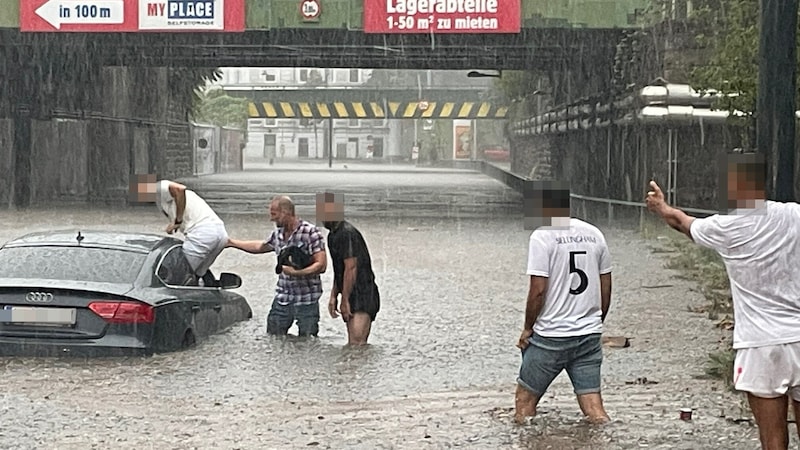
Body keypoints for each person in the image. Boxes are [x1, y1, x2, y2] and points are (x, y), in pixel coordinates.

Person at [646, 152, 800, 450]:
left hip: (760, 344)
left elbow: (681, 223)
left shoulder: (724, 228)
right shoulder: (794, 214)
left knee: (773, 440)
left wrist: (660, 206)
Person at [515, 181, 613, 425]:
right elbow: (606, 285)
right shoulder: (594, 234)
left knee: (524, 403)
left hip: (551, 336)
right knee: (593, 406)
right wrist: (595, 321)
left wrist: (528, 328)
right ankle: (604, 440)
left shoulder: (542, 237)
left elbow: (538, 291)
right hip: (589, 334)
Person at [227, 195, 327, 337]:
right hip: (283, 297)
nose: (271, 219)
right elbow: (260, 247)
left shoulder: (311, 233)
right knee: (273, 339)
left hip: (307, 299)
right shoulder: (278, 234)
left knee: (308, 342)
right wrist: (232, 243)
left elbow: (321, 265)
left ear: (286, 212)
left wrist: (297, 273)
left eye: (274, 214)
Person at [130, 174, 229, 287]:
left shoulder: (157, 187)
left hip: (202, 233)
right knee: (196, 277)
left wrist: (178, 220)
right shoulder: (160, 199)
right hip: (219, 233)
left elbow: (180, 189)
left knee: (179, 277)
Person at [316, 192, 380, 345]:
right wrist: (333, 296)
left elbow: (351, 268)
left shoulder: (347, 233)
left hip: (364, 293)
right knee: (353, 345)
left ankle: (362, 369)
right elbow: (340, 270)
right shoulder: (333, 235)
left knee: (357, 342)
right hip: (350, 291)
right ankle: (349, 369)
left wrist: (344, 300)